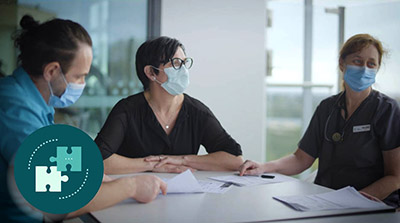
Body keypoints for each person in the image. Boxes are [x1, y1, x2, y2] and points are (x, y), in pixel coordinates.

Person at [0, 15, 166, 222]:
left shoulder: (33, 101)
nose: (82, 84)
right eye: (79, 77)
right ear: (52, 71)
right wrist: (131, 186)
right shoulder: (14, 108)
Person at [239, 34, 400, 207]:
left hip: (372, 205)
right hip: (327, 201)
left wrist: (355, 199)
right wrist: (263, 167)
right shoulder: (327, 108)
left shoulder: (387, 110)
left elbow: (396, 177)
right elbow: (301, 159)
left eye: (371, 64)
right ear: (342, 64)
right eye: (358, 61)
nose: (364, 69)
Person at [95, 36, 243, 174]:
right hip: (136, 196)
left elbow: (234, 159)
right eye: (176, 63)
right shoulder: (127, 110)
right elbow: (97, 159)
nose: (184, 71)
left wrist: (182, 160)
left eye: (185, 63)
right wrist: (153, 165)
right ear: (151, 72)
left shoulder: (196, 111)